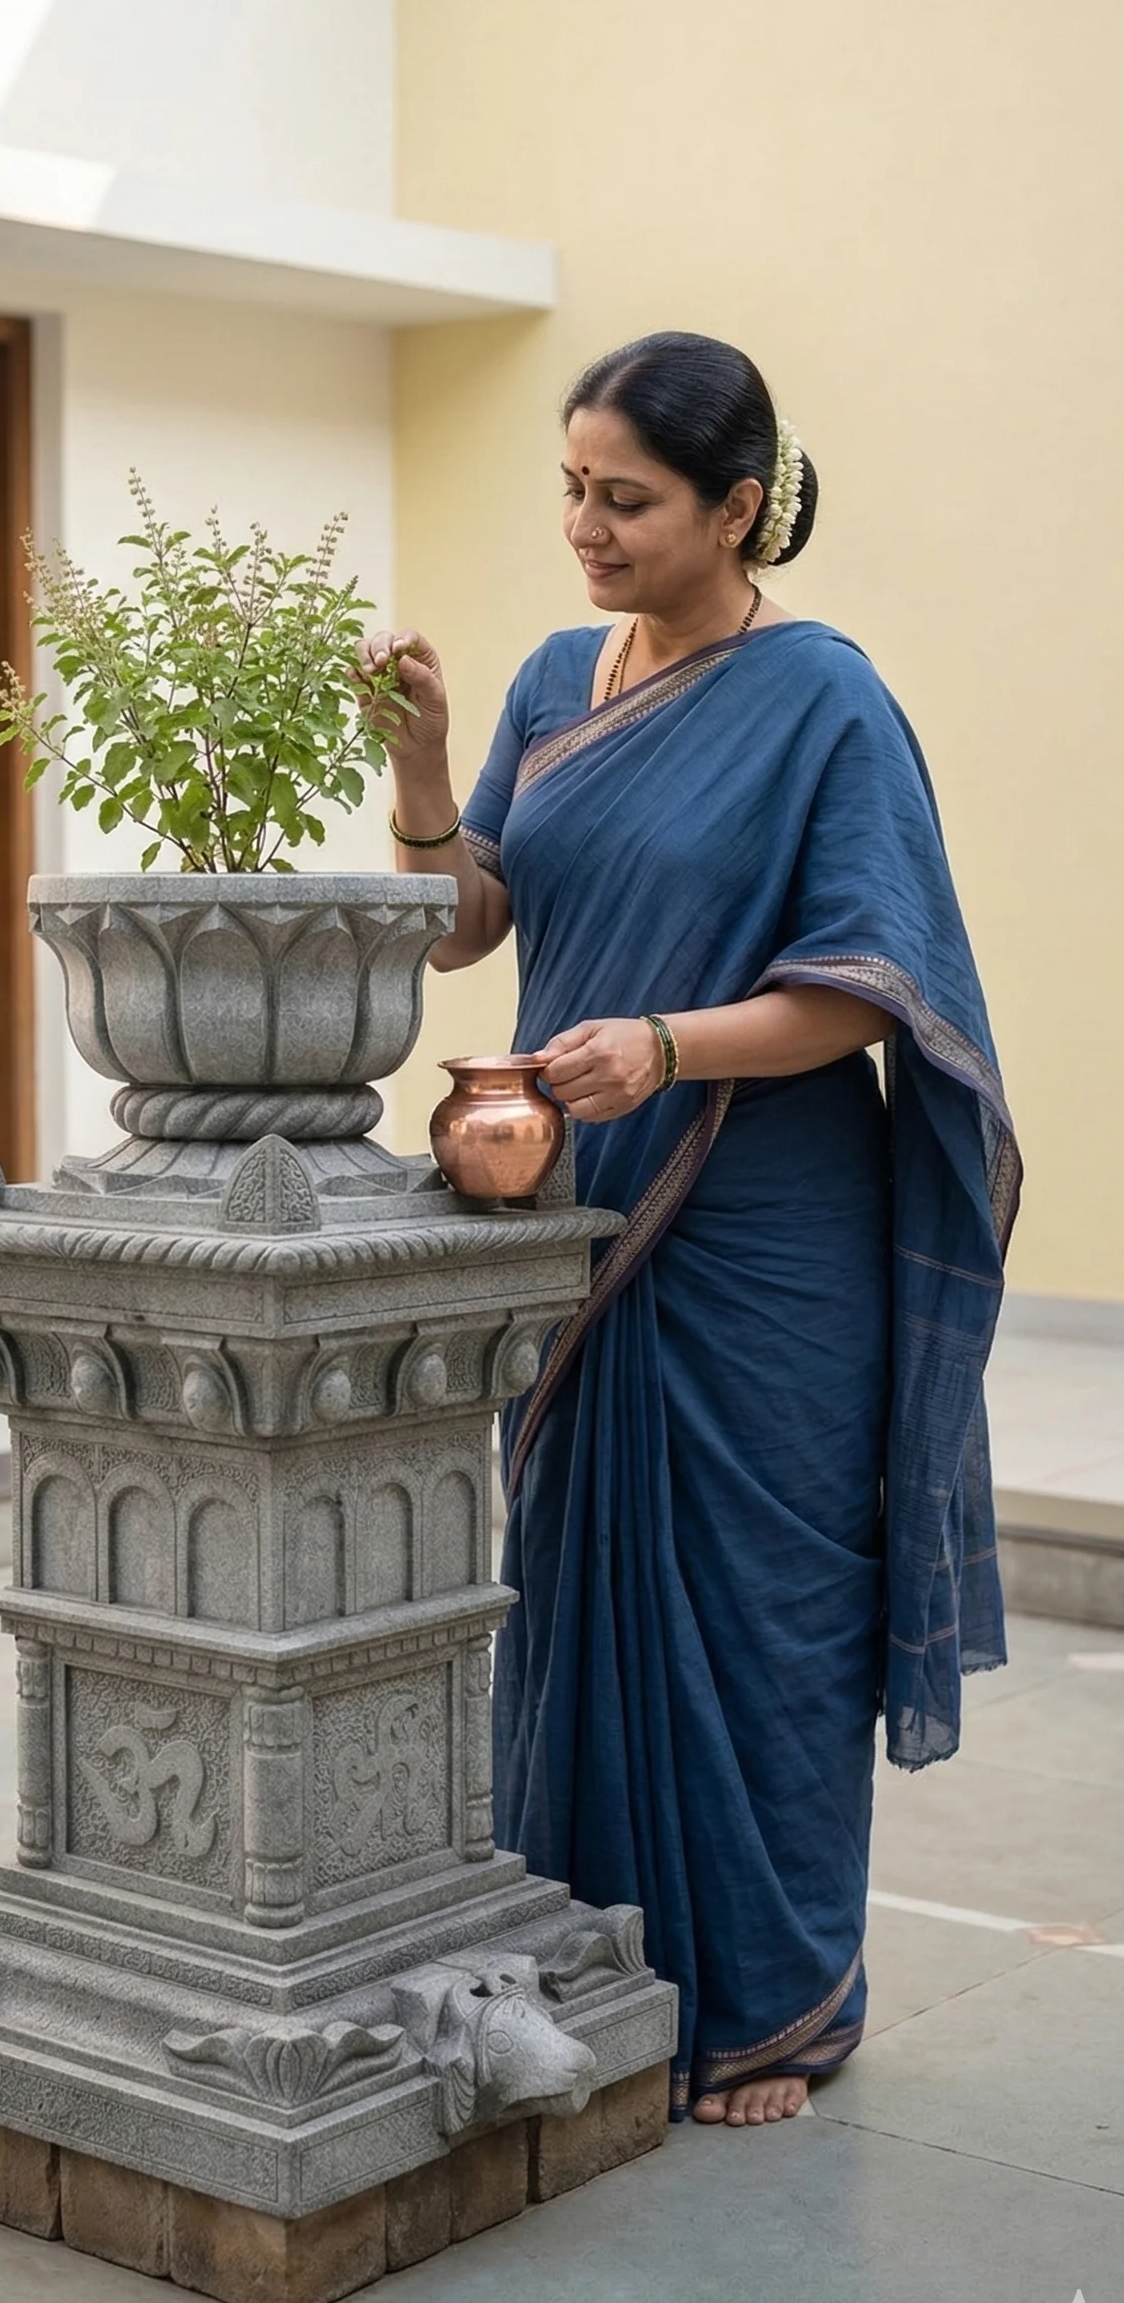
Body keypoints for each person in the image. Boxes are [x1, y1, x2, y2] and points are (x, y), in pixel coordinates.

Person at [361, 331, 1019, 2129]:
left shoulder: (822, 701)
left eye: (623, 497)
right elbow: (459, 922)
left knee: (758, 1616)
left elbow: (878, 992)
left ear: (738, 508)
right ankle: (586, 1974)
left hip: (760, 1232)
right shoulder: (560, 678)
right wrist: (425, 776)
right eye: (569, 486)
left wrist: (660, 1043)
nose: (582, 524)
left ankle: (776, 2010)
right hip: (575, 1214)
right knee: (577, 1589)